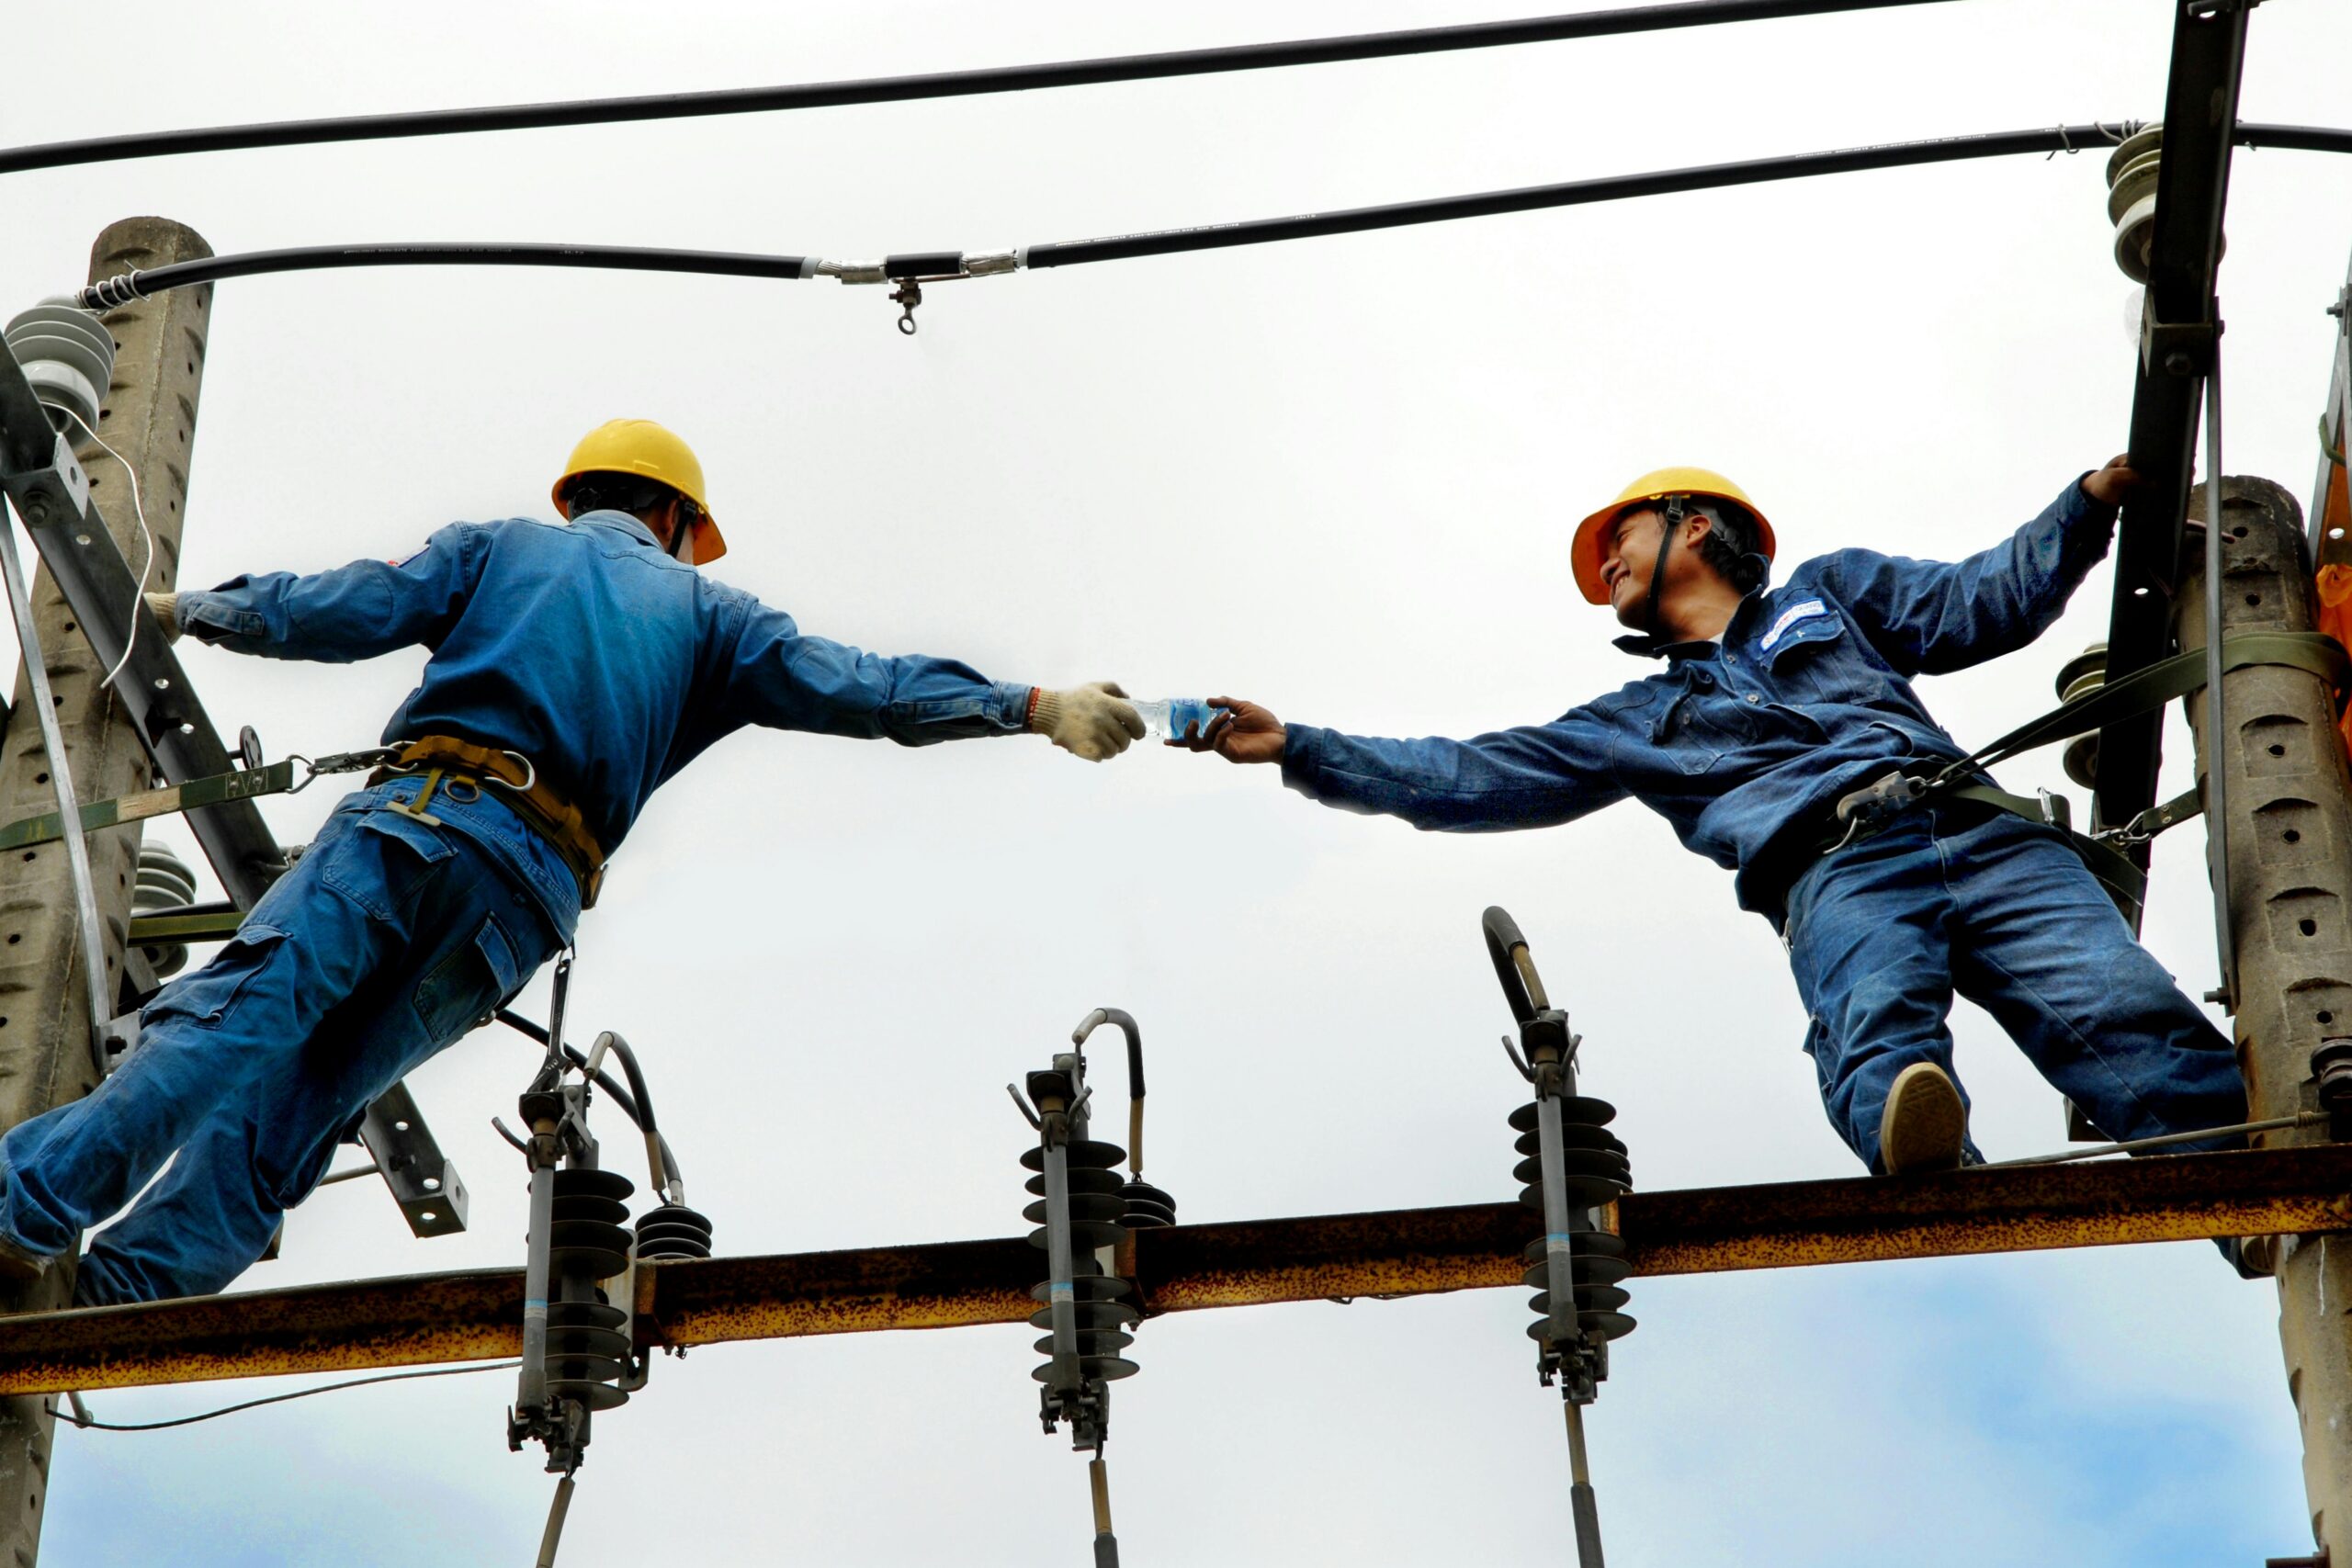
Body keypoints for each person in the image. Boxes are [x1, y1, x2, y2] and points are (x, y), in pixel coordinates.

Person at [0, 418, 1145, 1303]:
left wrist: (202, 611)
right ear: (675, 516)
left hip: (419, 824)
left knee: (235, 1025)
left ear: (588, 497)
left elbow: (350, 604)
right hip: (520, 911)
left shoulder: (506, 548)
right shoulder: (716, 618)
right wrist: (1029, 705)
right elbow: (874, 688)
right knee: (300, 1105)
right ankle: (106, 1304)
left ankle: (23, 1218)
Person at [1178, 461, 2248, 1179]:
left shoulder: (1830, 597)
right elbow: (1469, 775)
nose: (1604, 567)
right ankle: (1925, 1161)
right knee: (1876, 1016)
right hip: (1835, 865)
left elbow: (1980, 603)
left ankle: (2248, 1185)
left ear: (1694, 526)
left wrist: (2088, 503)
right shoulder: (1641, 716)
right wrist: (1304, 749)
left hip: (1980, 833)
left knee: (2121, 1006)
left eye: (1619, 540)